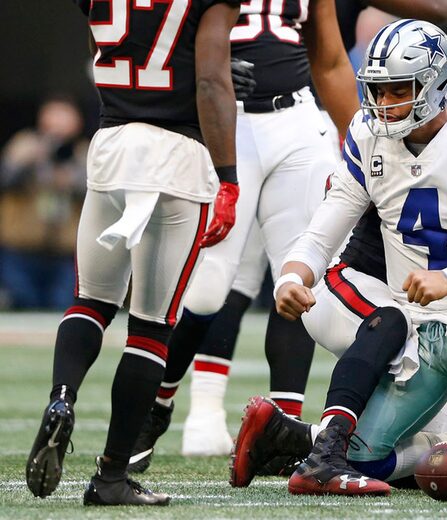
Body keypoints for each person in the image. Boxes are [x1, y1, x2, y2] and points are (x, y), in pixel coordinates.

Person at [228, 51, 447, 491]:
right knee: (401, 342)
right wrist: (292, 276)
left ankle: (284, 438)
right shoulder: (384, 138)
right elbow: (324, 231)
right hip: (369, 297)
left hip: (438, 318)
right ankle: (323, 453)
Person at [176, 0, 447, 460]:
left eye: (400, 91)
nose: (388, 107)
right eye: (384, 92)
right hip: (357, 298)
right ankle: (191, 415)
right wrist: (294, 277)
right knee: (219, 281)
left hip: (409, 303)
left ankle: (289, 437)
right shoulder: (374, 142)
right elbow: (318, 238)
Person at [126, 0, 359, 472]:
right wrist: (204, 73)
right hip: (224, 120)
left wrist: (363, 139)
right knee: (208, 289)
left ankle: (284, 430)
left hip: (297, 119)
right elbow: (155, 44)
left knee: (301, 279)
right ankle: (158, 406)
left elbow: (331, 60)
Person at [25, 0, 241, 506]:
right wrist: (228, 176)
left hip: (112, 143)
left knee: (90, 300)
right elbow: (211, 80)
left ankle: (62, 396)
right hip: (176, 155)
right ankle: (111, 476)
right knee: (150, 326)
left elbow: (102, 44)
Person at [0, 96, 87, 309]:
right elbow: (6, 180)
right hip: (21, 249)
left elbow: (101, 196)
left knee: (63, 306)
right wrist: (27, 159)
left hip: (65, 253)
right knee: (22, 303)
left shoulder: (84, 152)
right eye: (53, 115)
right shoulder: (24, 144)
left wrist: (71, 179)